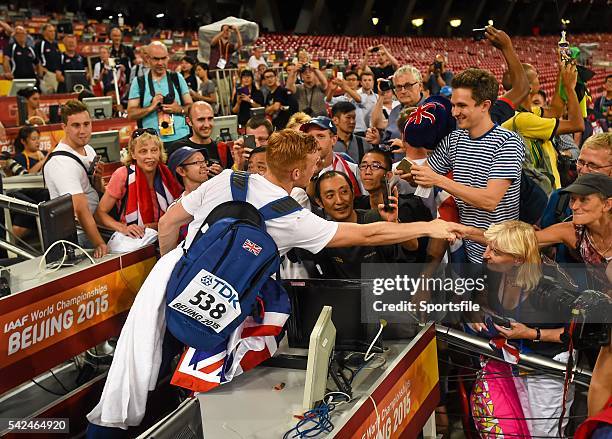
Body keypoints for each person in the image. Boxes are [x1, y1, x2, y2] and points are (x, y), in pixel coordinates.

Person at [157, 128, 462, 255]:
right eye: (314, 165)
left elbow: (167, 224)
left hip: (177, 284)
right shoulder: (291, 218)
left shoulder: (225, 179)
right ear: (297, 173)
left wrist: (173, 269)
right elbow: (368, 234)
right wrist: (429, 226)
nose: (317, 169)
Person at [466, 220, 575, 438]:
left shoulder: (551, 286)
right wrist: (474, 312)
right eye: (488, 247)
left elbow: (574, 335)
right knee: (517, 428)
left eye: (495, 251)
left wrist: (530, 333)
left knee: (543, 433)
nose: (486, 254)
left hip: (547, 366)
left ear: (517, 259)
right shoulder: (493, 270)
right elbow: (475, 296)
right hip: (512, 361)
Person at [409, 68, 524, 263]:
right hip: (465, 247)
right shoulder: (454, 139)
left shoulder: (508, 142)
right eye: (453, 105)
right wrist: (413, 174)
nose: (454, 112)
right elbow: (423, 178)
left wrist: (437, 179)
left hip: (500, 252)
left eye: (462, 106)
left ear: (484, 105)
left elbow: (489, 201)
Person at [502, 62, 584, 191]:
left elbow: (556, 111)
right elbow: (577, 124)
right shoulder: (524, 119)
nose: (539, 78)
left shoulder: (528, 112)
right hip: (544, 191)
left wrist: (561, 73)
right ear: (527, 87)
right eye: (536, 76)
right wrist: (569, 88)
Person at [43, 100, 107, 258]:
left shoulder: (89, 149)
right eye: (76, 125)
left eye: (86, 124)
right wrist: (99, 243)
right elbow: (80, 209)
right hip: (79, 235)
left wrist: (98, 180)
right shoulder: (61, 163)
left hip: (98, 221)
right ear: (64, 127)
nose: (83, 131)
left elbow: (97, 191)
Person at [94, 129, 183, 238]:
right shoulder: (122, 174)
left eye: (154, 150)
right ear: (133, 154)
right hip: (134, 237)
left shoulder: (169, 173)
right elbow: (99, 214)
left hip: (167, 232)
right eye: (143, 151)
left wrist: (153, 226)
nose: (150, 156)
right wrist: (123, 228)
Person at [535, 173, 612, 293]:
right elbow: (520, 241)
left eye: (584, 200)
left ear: (607, 204)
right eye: (572, 199)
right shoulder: (573, 232)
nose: (574, 206)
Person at [540, 133, 611, 261]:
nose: (583, 170)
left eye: (593, 165)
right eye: (581, 162)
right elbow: (545, 245)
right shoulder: (560, 198)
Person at [354, 149, 433, 262]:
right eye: (363, 166)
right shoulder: (358, 205)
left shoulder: (409, 206)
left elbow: (418, 249)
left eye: (375, 166)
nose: (367, 171)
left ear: (388, 175)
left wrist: (395, 223)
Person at [127, 41, 192, 149]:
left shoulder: (177, 78)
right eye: (156, 59)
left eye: (163, 58)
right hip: (152, 142)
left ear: (168, 57)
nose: (160, 63)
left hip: (181, 138)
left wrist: (178, 109)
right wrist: (151, 108)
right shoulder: (139, 82)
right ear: (148, 59)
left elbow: (191, 107)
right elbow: (131, 114)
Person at [300, 116, 365, 196]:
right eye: (310, 137)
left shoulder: (351, 169)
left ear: (333, 140)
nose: (314, 142)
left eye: (320, 136)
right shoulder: (298, 171)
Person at [367, 64, 424, 146]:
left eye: (408, 86)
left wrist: (407, 147)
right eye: (398, 87)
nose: (403, 91)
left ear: (420, 86)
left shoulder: (433, 110)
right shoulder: (396, 111)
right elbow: (377, 124)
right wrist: (381, 95)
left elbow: (443, 147)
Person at [169, 101, 231, 175]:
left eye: (210, 119)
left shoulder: (222, 148)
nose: (207, 125)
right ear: (189, 121)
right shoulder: (177, 148)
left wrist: (222, 175)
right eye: (201, 120)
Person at [326, 71, 368, 136]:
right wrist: (332, 90)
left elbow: (359, 100)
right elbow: (328, 101)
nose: (351, 82)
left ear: (358, 82)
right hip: (344, 132)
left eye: (353, 80)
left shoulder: (364, 95)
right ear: (345, 81)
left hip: (359, 131)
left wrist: (344, 86)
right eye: (348, 80)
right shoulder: (342, 99)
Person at [35, 24, 62, 94]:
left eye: (54, 31)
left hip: (57, 75)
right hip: (48, 74)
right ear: (44, 33)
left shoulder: (55, 44)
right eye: (50, 31)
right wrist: (42, 70)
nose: (53, 33)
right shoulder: (40, 44)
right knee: (48, 95)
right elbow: (36, 58)